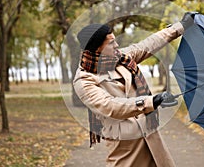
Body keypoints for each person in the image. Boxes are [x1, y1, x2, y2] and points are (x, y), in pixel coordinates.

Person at [73, 15, 188, 167]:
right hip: (124, 145)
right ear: (97, 48)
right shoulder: (84, 80)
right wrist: (151, 101)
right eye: (111, 42)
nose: (117, 45)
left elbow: (149, 44)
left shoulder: (120, 58)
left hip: (150, 134)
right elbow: (110, 106)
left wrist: (179, 27)